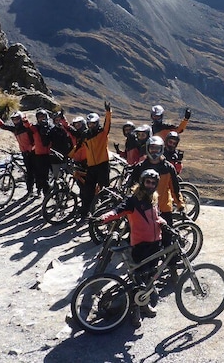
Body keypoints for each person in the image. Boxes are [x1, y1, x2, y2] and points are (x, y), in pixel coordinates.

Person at [98, 169, 167, 319]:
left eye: (153, 183)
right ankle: (135, 311)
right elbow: (118, 210)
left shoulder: (153, 199)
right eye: (147, 182)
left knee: (149, 276)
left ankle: (144, 305)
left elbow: (155, 217)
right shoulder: (133, 200)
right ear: (142, 182)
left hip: (155, 243)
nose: (150, 185)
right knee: (138, 279)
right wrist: (103, 217)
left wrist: (162, 222)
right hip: (141, 245)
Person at [133, 135, 183, 281]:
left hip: (164, 209)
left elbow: (175, 188)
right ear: (148, 149)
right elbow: (132, 188)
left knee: (169, 241)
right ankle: (146, 273)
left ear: (162, 149)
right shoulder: (140, 167)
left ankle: (172, 267)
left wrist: (180, 204)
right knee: (146, 243)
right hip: (145, 211)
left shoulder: (168, 167)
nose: (154, 151)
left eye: (157, 148)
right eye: (152, 148)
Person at [80, 101, 112, 219]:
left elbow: (107, 124)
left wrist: (108, 112)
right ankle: (84, 213)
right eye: (89, 124)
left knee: (104, 191)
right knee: (87, 191)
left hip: (103, 165)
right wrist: (69, 156)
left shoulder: (102, 133)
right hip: (91, 166)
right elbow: (78, 147)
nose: (91, 126)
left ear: (97, 123)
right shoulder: (85, 135)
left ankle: (107, 214)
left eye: (93, 124)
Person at [0, 110, 35, 196]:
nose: (15, 121)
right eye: (14, 120)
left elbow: (35, 140)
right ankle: (30, 190)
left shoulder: (27, 128)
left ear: (20, 119)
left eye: (17, 119)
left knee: (33, 172)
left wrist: (31, 149)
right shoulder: (15, 129)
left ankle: (37, 190)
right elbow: (3, 126)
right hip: (24, 152)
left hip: (32, 152)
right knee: (28, 172)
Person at [22, 109, 52, 197]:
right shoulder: (35, 128)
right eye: (39, 117)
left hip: (50, 154)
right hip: (39, 155)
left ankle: (55, 192)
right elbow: (28, 126)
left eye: (43, 117)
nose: (41, 119)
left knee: (55, 175)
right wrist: (25, 120)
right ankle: (44, 193)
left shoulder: (51, 127)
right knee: (41, 176)